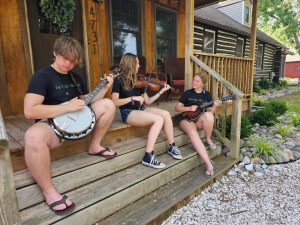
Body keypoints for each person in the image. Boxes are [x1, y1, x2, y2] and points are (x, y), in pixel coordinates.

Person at [24, 36, 116, 214]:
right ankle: (49, 191)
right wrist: (66, 107)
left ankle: (95, 146)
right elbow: (30, 111)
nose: (68, 64)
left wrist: (105, 88)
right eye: (65, 58)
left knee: (108, 104)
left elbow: (86, 101)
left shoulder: (75, 77)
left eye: (73, 61)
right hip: (52, 127)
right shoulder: (42, 77)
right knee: (33, 135)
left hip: (78, 121)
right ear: (55, 53)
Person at [111, 53, 182, 169]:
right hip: (128, 112)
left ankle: (172, 145)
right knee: (158, 119)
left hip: (141, 109)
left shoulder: (139, 80)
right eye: (137, 63)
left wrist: (161, 92)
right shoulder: (118, 80)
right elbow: (114, 102)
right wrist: (132, 98)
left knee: (166, 114)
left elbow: (147, 101)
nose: (139, 66)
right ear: (130, 64)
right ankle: (148, 156)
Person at [175, 72, 220, 177]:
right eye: (193, 80)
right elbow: (177, 108)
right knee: (193, 133)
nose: (194, 82)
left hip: (198, 120)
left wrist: (215, 106)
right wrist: (189, 108)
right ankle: (209, 164)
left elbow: (210, 112)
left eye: (197, 81)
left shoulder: (207, 95)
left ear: (203, 84)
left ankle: (208, 139)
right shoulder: (187, 93)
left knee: (209, 116)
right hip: (186, 120)